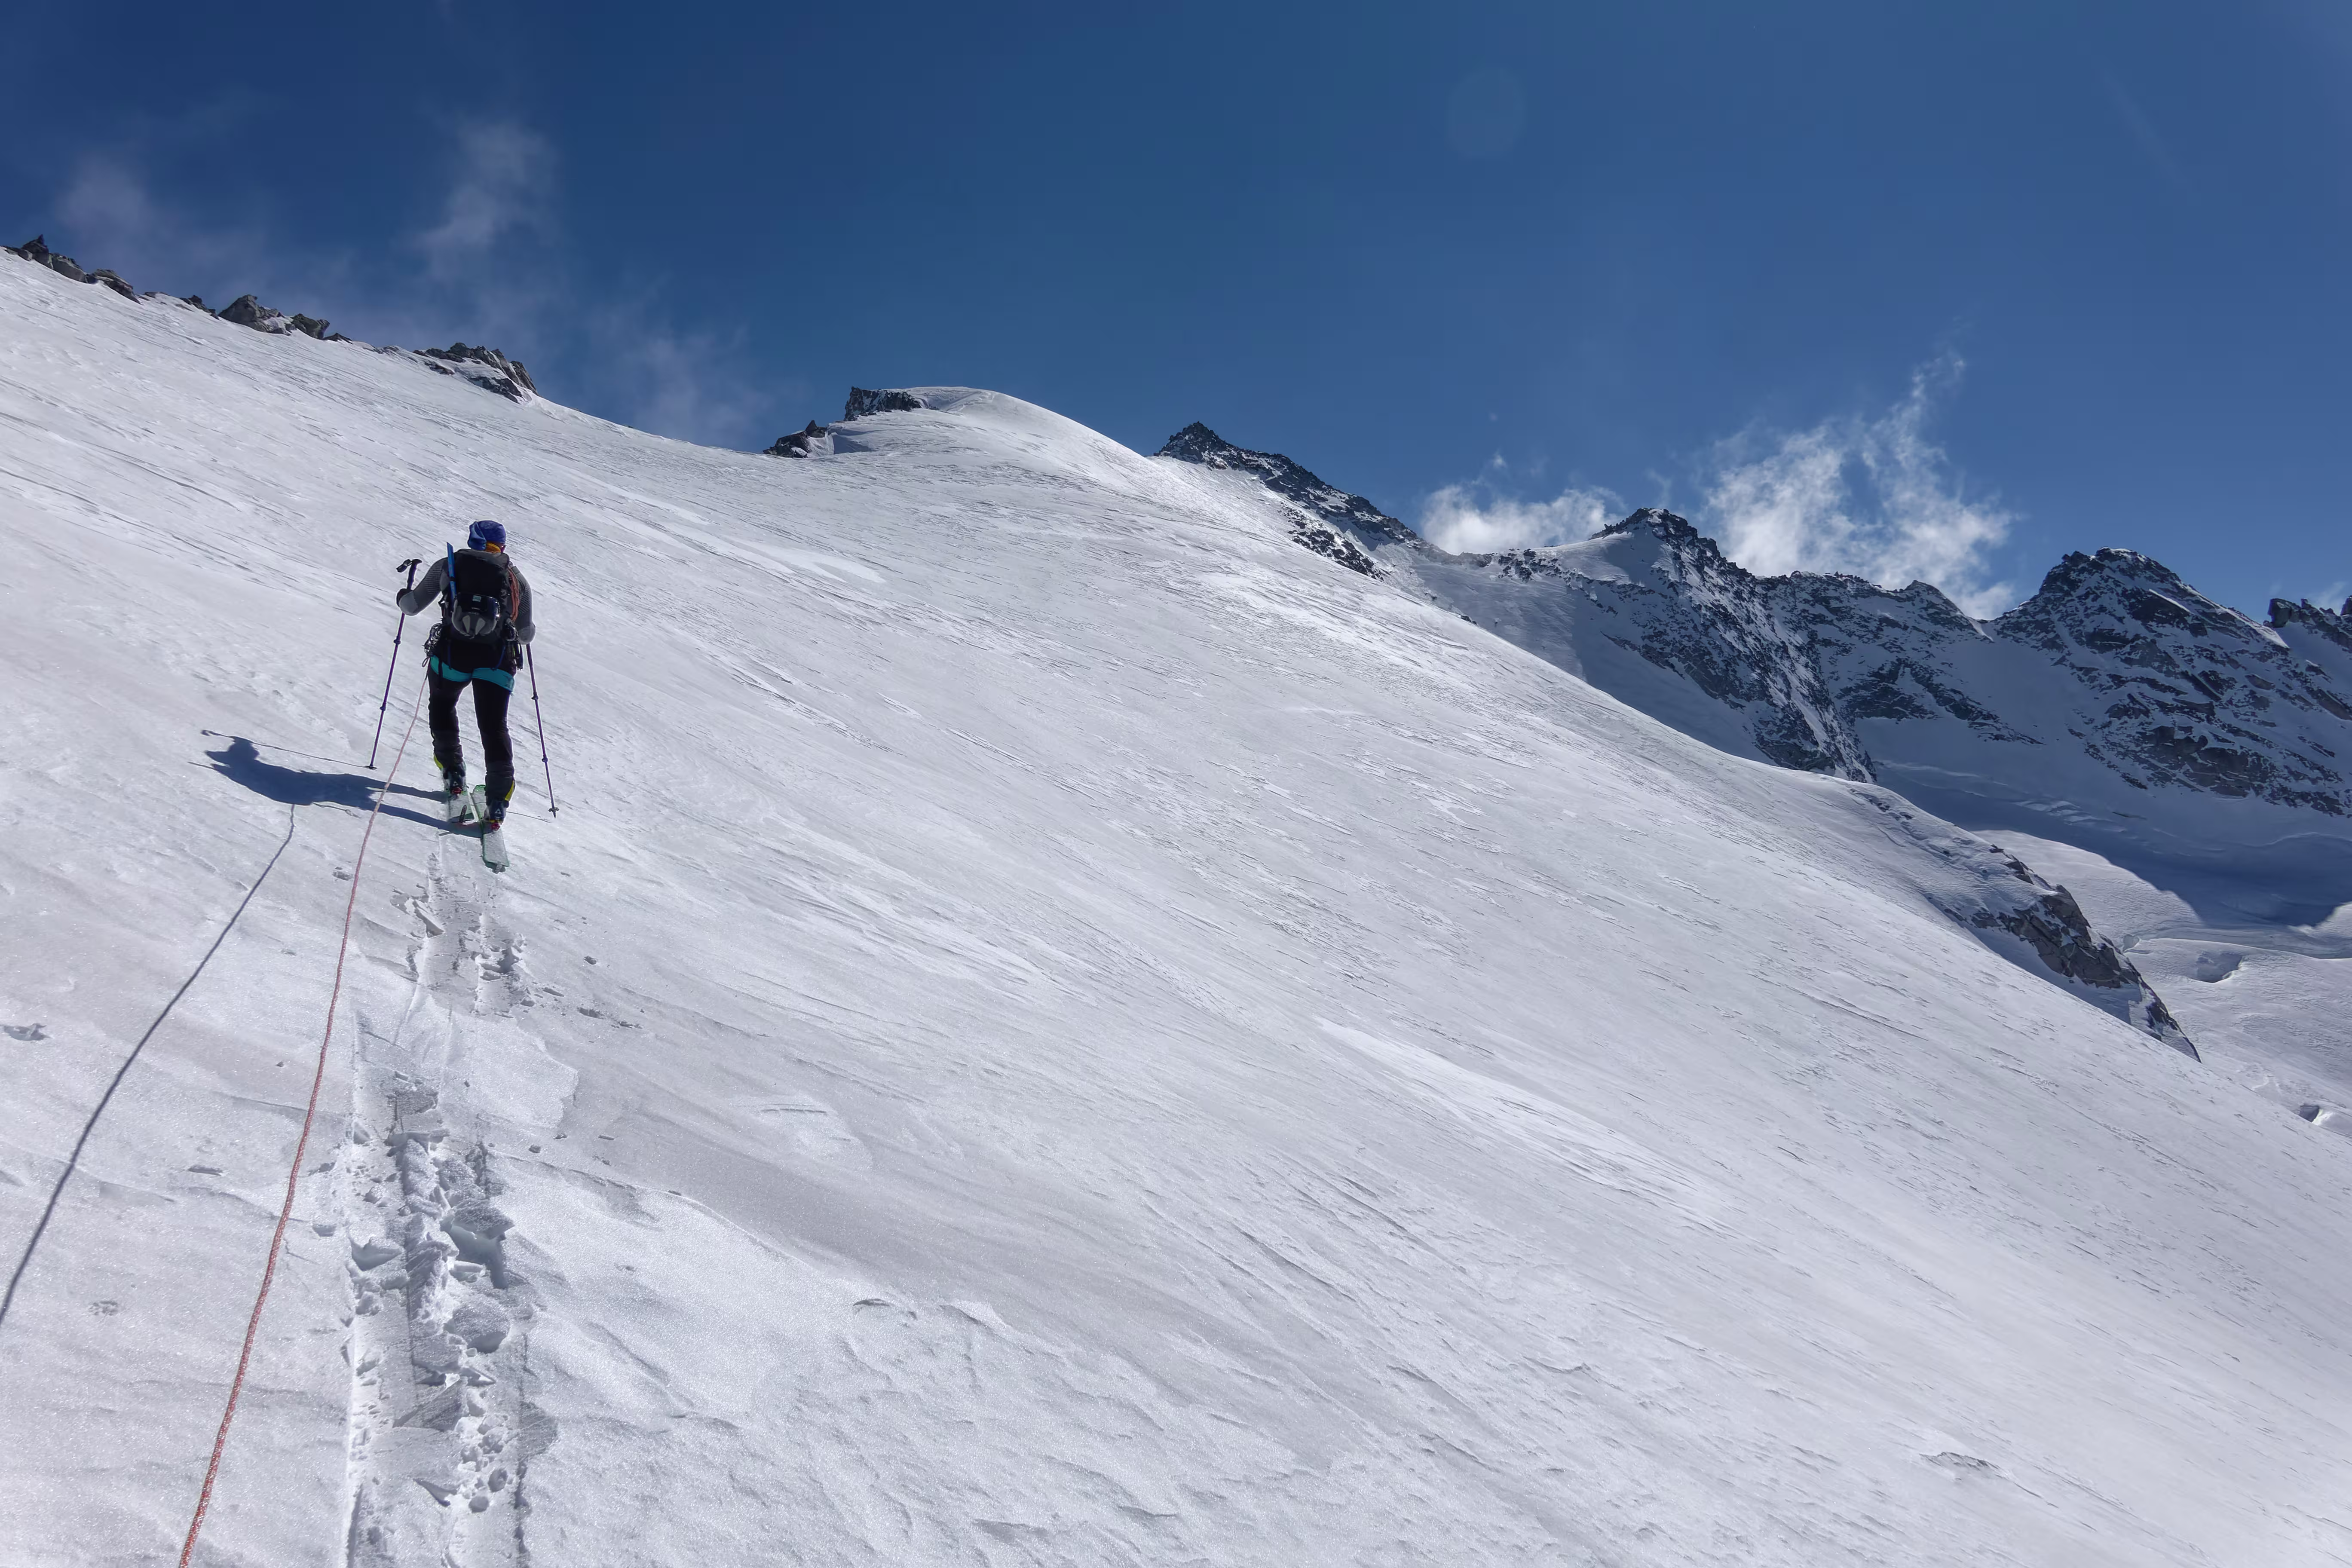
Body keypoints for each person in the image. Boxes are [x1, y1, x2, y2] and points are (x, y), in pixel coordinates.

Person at [396, 519, 536, 825]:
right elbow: (525, 635)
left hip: (452, 654)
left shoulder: (448, 565)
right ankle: (498, 800)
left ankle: (453, 772)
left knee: (443, 705)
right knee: (494, 726)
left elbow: (412, 606)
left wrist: (402, 593)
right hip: (497, 660)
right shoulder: (516, 579)